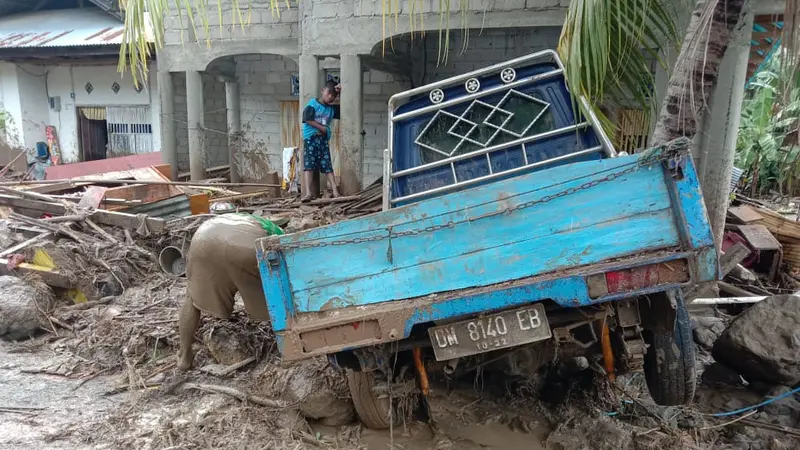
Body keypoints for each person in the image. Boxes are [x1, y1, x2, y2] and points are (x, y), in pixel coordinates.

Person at [301, 80, 341, 201]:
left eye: (333, 96)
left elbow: (345, 107)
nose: (331, 97)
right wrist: (322, 128)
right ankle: (308, 193)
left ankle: (335, 190)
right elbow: (307, 119)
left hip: (322, 140)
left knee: (327, 165)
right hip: (311, 139)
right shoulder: (312, 105)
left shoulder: (331, 109)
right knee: (309, 166)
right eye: (329, 93)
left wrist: (341, 93)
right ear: (323, 91)